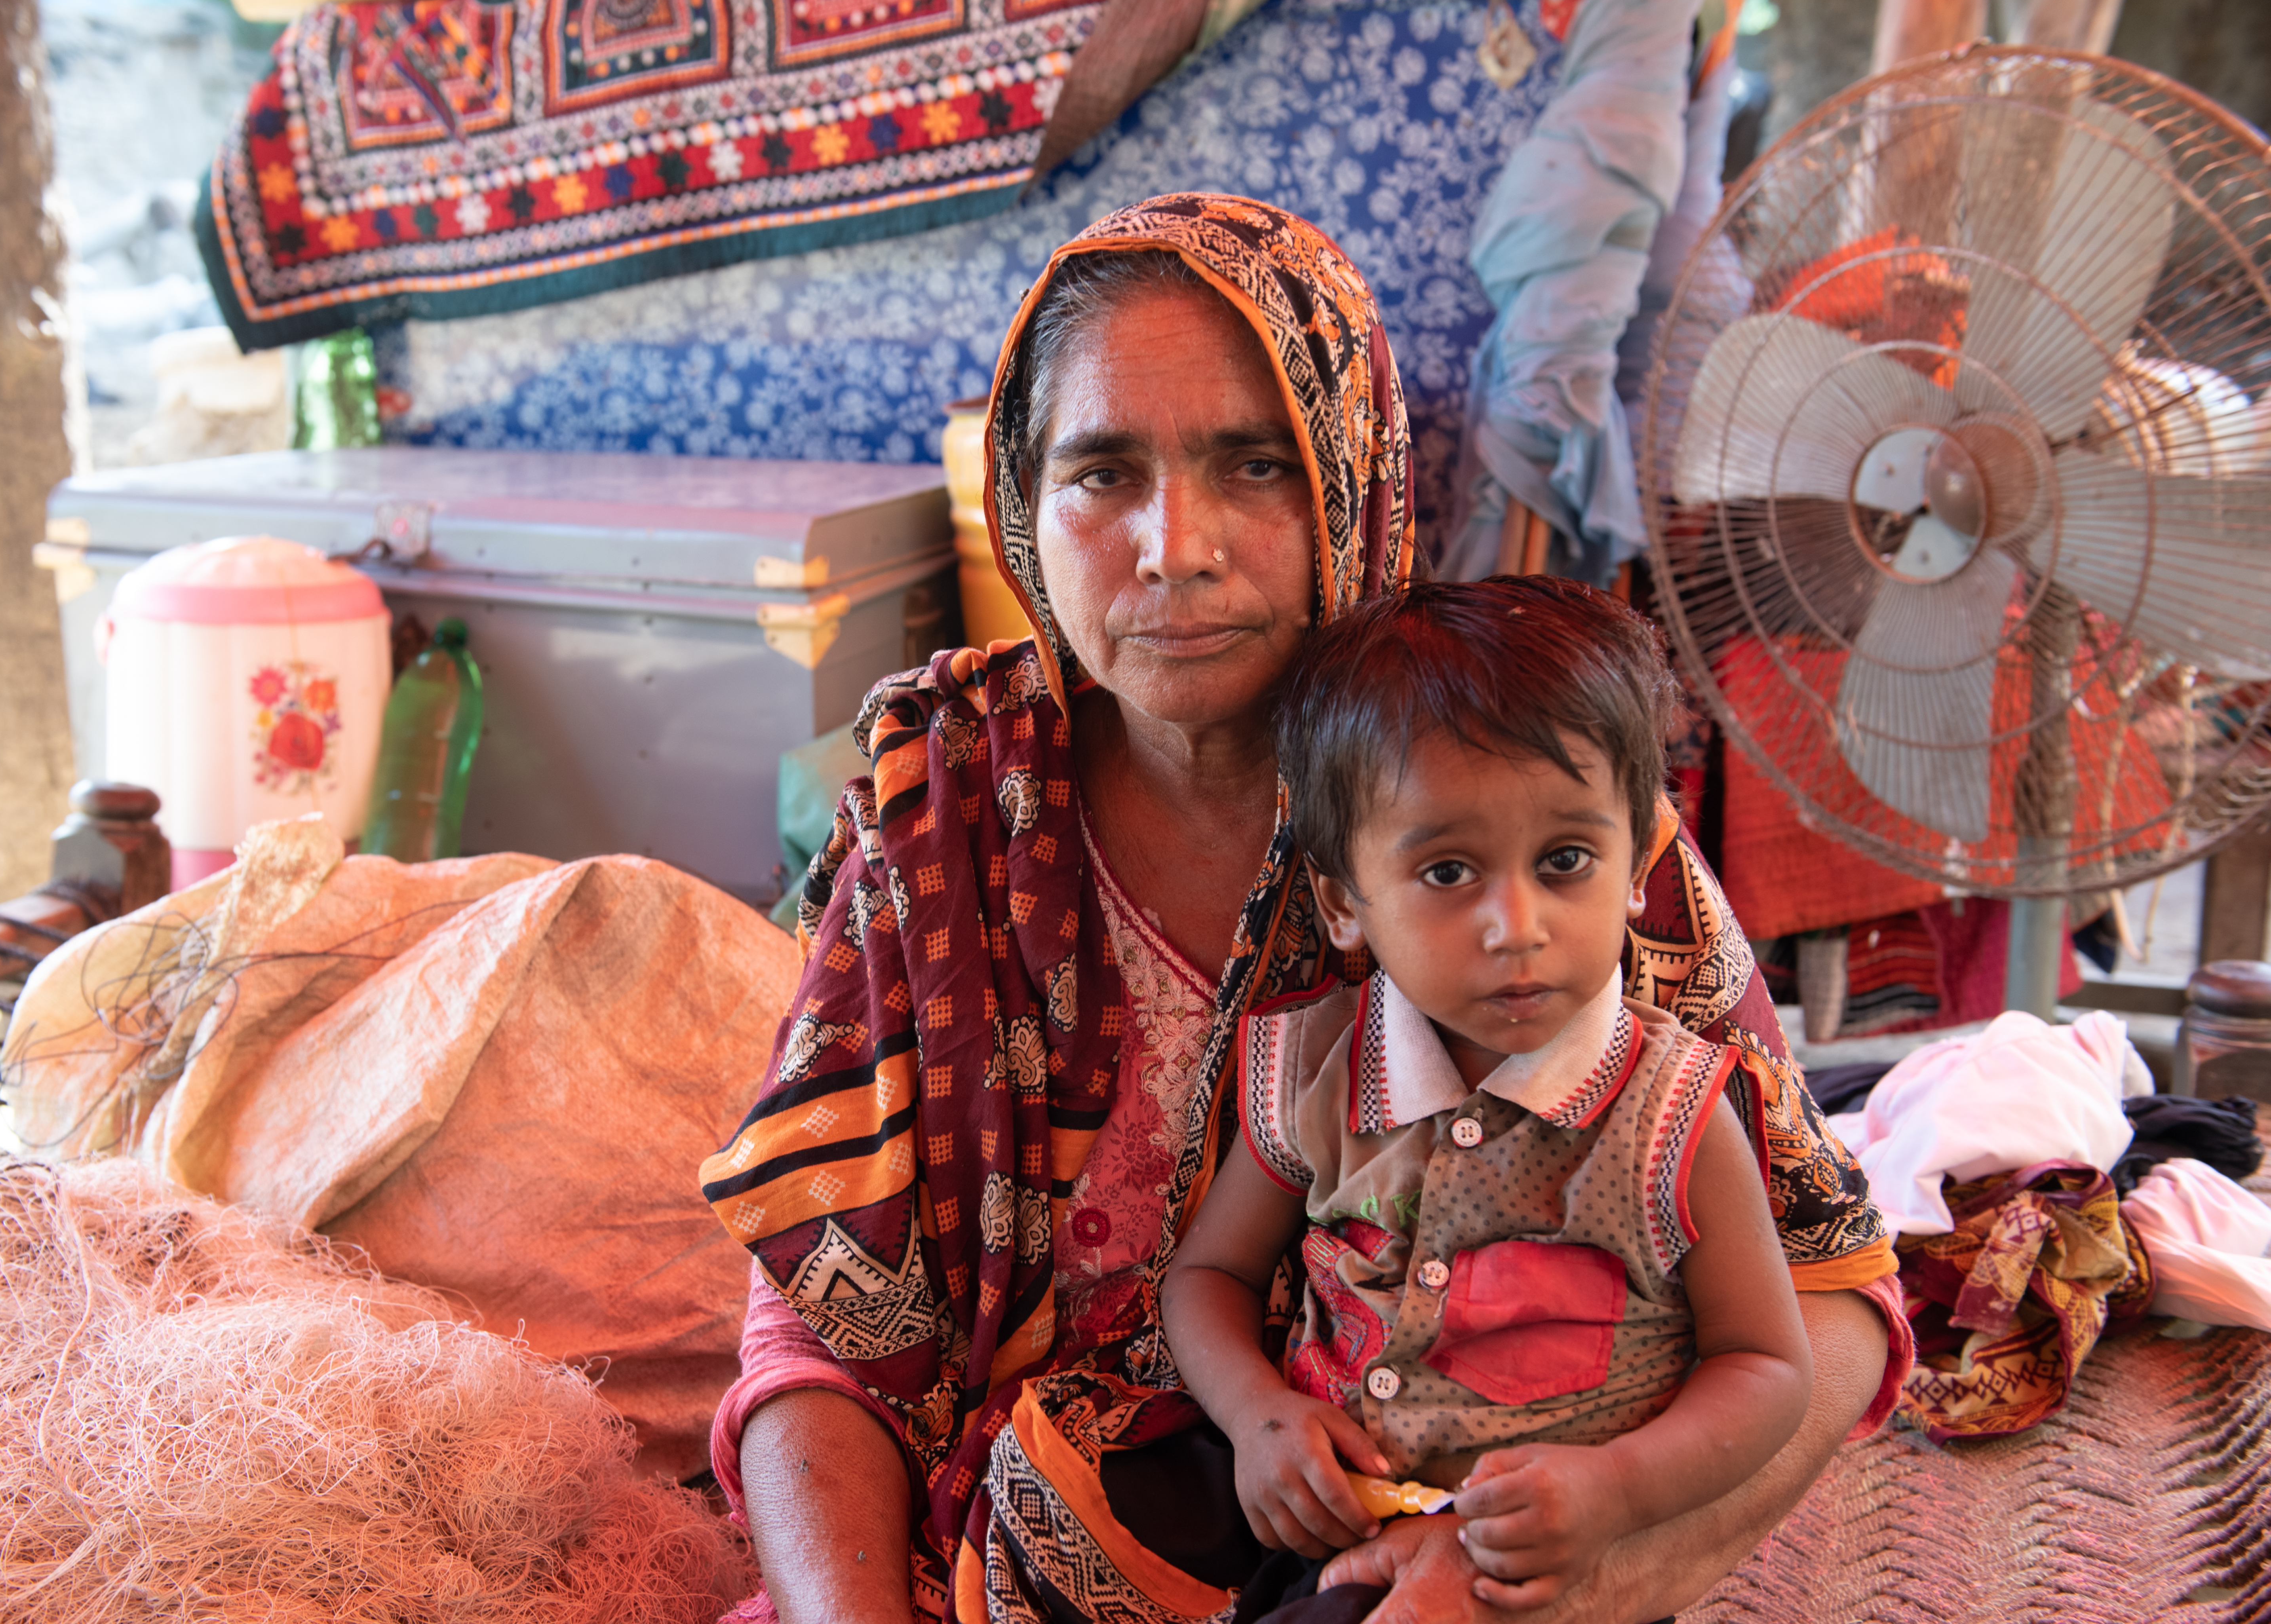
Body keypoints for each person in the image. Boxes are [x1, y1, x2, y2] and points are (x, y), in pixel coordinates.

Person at [697, 192, 1911, 1624]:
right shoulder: (947, 817)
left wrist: (1535, 1571)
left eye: (1255, 464)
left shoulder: (1529, 801)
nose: (1175, 546)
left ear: (1353, 478)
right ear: (1024, 505)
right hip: (1041, 1540)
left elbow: (1828, 1303)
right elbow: (823, 1330)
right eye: (1102, 474)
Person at [1162, 577, 1813, 1624]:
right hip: (1337, 1522)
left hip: (1553, 1567)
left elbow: (1769, 1366)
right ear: (1344, 902)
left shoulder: (1675, 1113)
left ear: (1639, 864)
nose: (1517, 925)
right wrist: (1258, 1418)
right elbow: (1208, 1275)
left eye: (1565, 861)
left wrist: (1618, 1491)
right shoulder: (1318, 1069)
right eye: (1450, 871)